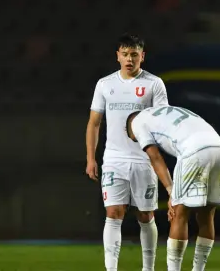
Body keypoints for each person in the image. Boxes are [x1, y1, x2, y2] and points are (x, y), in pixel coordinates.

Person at [85, 33, 169, 271]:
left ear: (142, 56)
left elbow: (162, 122)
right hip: (114, 159)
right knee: (113, 212)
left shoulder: (154, 84)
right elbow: (94, 123)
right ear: (117, 57)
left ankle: (148, 268)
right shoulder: (105, 84)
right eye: (125, 54)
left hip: (144, 160)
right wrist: (91, 158)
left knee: (145, 215)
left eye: (134, 54)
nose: (129, 59)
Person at [126, 105, 220, 271]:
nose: (137, 141)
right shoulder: (167, 112)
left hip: (194, 150)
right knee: (207, 214)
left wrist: (170, 190)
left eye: (134, 139)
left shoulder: (137, 122)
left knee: (179, 212)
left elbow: (155, 157)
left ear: (129, 127)